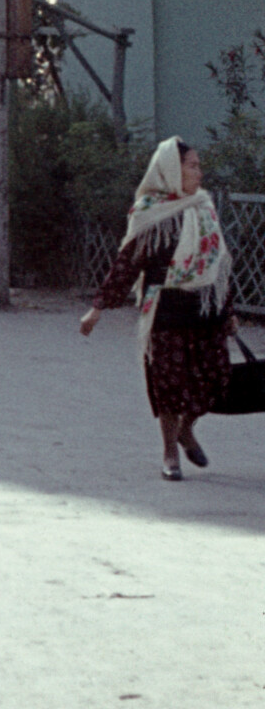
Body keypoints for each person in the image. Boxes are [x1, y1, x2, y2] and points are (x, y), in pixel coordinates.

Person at [80, 137, 236, 479]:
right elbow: (127, 264)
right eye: (192, 166)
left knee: (215, 378)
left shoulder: (203, 207)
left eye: (198, 165)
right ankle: (169, 450)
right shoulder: (151, 213)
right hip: (166, 311)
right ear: (170, 171)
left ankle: (186, 430)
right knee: (170, 385)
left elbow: (217, 264)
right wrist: (99, 307)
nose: (200, 172)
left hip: (204, 310)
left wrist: (229, 311)